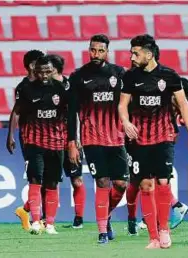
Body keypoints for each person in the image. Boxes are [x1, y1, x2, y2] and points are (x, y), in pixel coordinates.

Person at [119, 34, 188, 249]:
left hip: (164, 135)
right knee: (145, 184)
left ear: (149, 54)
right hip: (138, 138)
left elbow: (183, 105)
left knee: (163, 182)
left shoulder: (169, 76)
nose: (132, 56)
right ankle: (153, 237)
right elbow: (122, 104)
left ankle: (164, 230)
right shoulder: (130, 77)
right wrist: (125, 122)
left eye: (136, 53)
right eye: (131, 52)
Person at [68, 35, 129, 244]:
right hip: (91, 139)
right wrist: (71, 142)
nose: (96, 54)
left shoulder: (119, 74)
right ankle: (103, 231)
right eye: (93, 50)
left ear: (107, 52)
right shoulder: (78, 76)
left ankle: (106, 214)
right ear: (89, 50)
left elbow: (129, 103)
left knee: (121, 184)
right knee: (102, 182)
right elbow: (71, 113)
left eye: (100, 50)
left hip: (117, 138)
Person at [13, 55, 71, 235]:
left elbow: (69, 115)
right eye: (41, 72)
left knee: (52, 183)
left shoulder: (61, 88)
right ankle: (36, 221)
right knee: (35, 181)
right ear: (35, 72)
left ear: (52, 71)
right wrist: (15, 135)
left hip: (56, 143)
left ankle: (50, 224)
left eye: (48, 71)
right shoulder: (27, 90)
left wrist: (71, 140)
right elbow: (18, 112)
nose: (45, 75)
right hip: (34, 142)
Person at [6, 50, 45, 231]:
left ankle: (25, 210)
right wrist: (11, 135)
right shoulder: (23, 87)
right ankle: (38, 220)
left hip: (48, 136)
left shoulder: (46, 84)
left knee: (47, 177)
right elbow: (16, 111)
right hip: (29, 137)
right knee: (36, 176)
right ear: (31, 66)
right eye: (40, 63)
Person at [48, 54, 86, 229]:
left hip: (70, 141)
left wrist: (76, 140)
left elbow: (76, 115)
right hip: (50, 141)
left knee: (76, 180)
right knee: (50, 181)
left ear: (55, 68)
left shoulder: (70, 87)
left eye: (48, 68)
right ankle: (47, 220)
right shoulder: (44, 88)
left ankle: (78, 219)